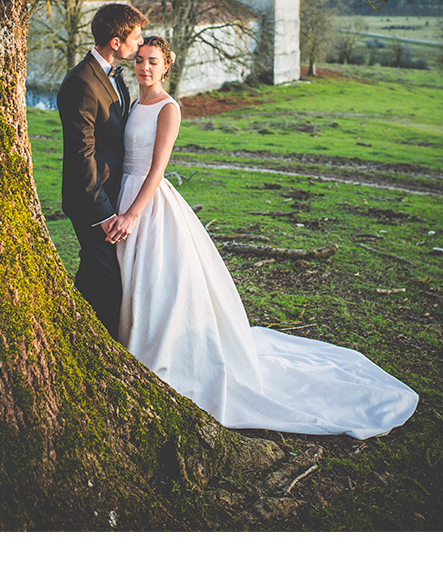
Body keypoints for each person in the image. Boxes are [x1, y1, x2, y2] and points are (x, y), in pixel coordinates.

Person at [113, 37, 418, 438]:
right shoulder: (135, 104)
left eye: (152, 62)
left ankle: (160, 352)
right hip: (124, 190)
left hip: (148, 203)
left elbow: (158, 167)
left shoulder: (169, 108)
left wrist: (135, 210)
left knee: (158, 278)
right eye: (140, 61)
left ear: (166, 66)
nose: (144, 68)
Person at [56, 3, 147, 337]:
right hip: (91, 202)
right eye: (135, 38)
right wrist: (103, 213)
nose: (139, 44)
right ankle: (104, 347)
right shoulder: (81, 82)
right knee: (108, 283)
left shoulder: (112, 75)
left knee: (93, 276)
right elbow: (83, 155)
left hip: (114, 196)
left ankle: (73, 336)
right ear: (115, 40)